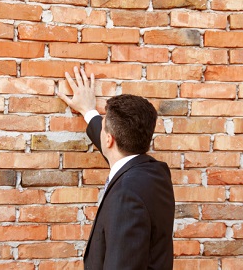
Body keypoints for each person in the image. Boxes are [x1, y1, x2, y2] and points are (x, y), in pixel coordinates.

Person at [58, 67, 175, 270]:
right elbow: (116, 150)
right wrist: (88, 111)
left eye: (103, 126)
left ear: (109, 140)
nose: (101, 129)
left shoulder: (126, 194)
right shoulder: (156, 173)